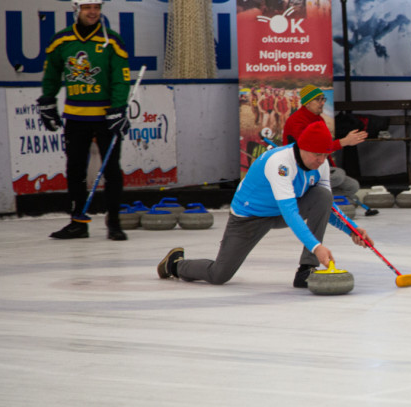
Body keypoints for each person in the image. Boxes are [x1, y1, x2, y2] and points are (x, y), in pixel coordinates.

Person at [157, 121, 370, 288]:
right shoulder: (280, 163)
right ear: (302, 148)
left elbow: (326, 206)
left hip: (278, 212)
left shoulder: (320, 165)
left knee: (323, 195)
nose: (322, 160)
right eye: (317, 155)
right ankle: (176, 264)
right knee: (219, 275)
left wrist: (351, 229)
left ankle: (306, 269)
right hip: (250, 217)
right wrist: (316, 246)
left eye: (326, 155)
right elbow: (289, 211)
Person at [38, 0, 132, 241]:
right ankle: (78, 222)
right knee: (75, 170)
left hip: (105, 117)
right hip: (75, 117)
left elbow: (121, 79)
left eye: (97, 7)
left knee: (112, 170)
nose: (93, 12)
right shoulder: (62, 40)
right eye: (87, 7)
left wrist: (118, 108)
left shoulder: (111, 40)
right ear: (76, 9)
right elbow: (52, 74)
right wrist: (47, 100)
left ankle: (114, 223)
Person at [282, 84, 367, 208]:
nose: (322, 103)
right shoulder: (297, 121)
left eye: (323, 99)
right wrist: (344, 142)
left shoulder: (318, 119)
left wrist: (330, 166)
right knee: (338, 176)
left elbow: (324, 147)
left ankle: (323, 200)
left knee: (352, 186)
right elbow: (311, 148)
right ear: (307, 103)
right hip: (301, 169)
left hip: (318, 166)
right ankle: (309, 198)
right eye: (318, 99)